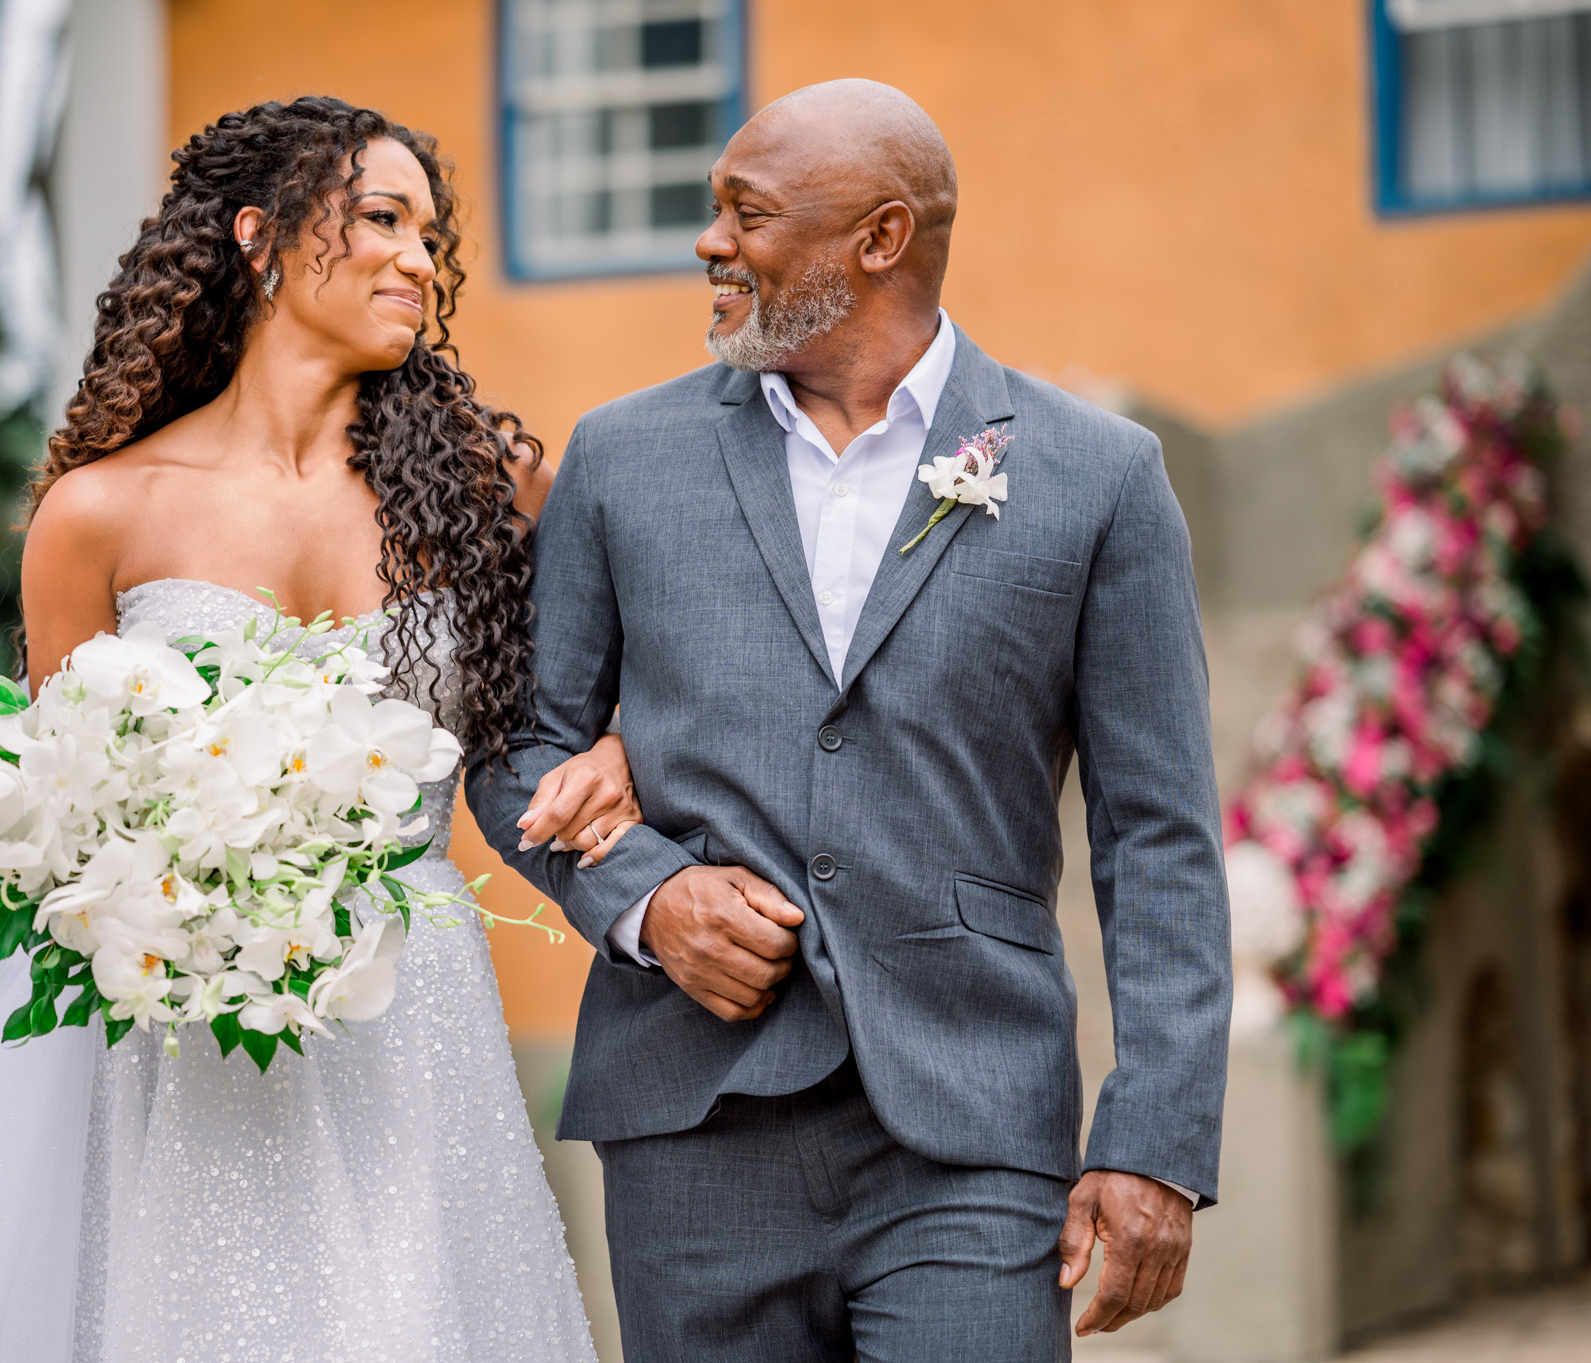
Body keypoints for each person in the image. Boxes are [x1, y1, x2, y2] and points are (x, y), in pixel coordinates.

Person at [0, 96, 638, 1363]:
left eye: (431, 235)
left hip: (410, 1014)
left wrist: (617, 748)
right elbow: (61, 818)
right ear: (259, 236)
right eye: (382, 220)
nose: (420, 260)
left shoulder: (487, 492)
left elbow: (627, 689)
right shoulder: (99, 517)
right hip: (173, 1041)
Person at [477, 79, 1232, 1362]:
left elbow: (1156, 833)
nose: (708, 243)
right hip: (689, 1120)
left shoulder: (1097, 477)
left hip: (970, 1123)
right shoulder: (618, 458)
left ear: (880, 239)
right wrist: (652, 902)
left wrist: (1154, 1140)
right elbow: (520, 749)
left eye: (745, 212)